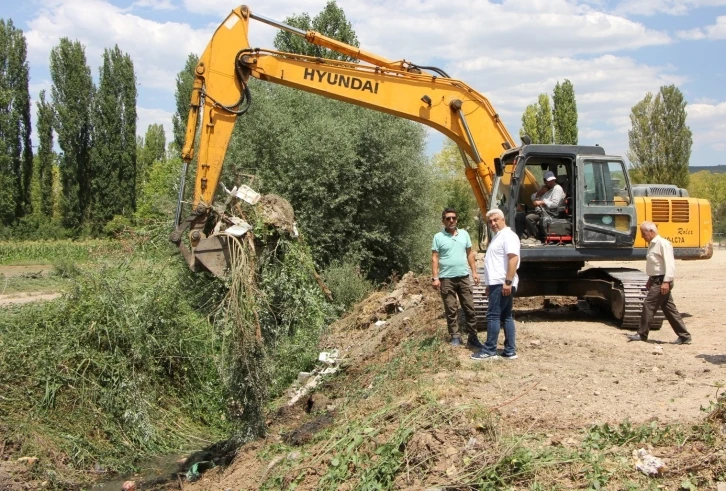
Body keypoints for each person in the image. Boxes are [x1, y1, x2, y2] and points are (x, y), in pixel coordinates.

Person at [627, 221, 692, 345]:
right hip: (657, 280)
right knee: (669, 309)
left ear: (651, 231)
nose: (641, 236)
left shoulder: (663, 244)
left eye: (643, 233)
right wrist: (650, 279)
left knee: (648, 304)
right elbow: (656, 265)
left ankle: (642, 334)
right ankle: (684, 336)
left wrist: (666, 281)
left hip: (662, 281)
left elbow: (670, 264)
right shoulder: (652, 245)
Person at [471, 209, 521, 360]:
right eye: (490, 221)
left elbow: (513, 259)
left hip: (502, 282)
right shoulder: (498, 237)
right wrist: (488, 284)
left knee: (493, 315)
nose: (493, 223)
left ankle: (489, 350)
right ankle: (510, 351)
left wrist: (507, 282)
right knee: (506, 316)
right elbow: (495, 263)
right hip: (497, 282)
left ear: (503, 219)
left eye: (495, 220)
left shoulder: (508, 236)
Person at [432, 208, 484, 348]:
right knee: (451, 308)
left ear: (457, 219)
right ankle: (455, 336)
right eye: (448, 218)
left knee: (469, 307)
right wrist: (435, 277)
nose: (451, 220)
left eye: (453, 218)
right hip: (446, 278)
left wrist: (474, 272)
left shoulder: (464, 234)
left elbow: (469, 254)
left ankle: (472, 336)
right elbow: (435, 258)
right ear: (443, 221)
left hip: (463, 277)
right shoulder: (438, 237)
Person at [516, 170, 565, 242]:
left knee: (529, 218)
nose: (551, 182)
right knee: (519, 216)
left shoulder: (557, 189)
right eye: (549, 181)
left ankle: (534, 237)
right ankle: (520, 237)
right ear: (544, 181)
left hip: (550, 213)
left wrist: (542, 202)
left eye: (552, 180)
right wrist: (539, 193)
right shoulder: (544, 188)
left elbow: (554, 204)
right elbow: (532, 197)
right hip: (541, 211)